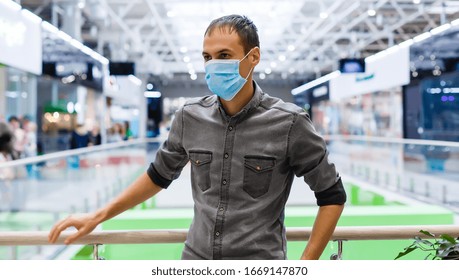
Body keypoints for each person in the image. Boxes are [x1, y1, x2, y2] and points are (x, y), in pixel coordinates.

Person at [48, 15, 346, 260]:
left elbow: (332, 195)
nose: (213, 65)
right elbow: (158, 176)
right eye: (207, 56)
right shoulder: (189, 117)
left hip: (258, 266)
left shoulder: (289, 122)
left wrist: (305, 268)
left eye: (224, 56)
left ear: (253, 57)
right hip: (195, 262)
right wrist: (98, 216)